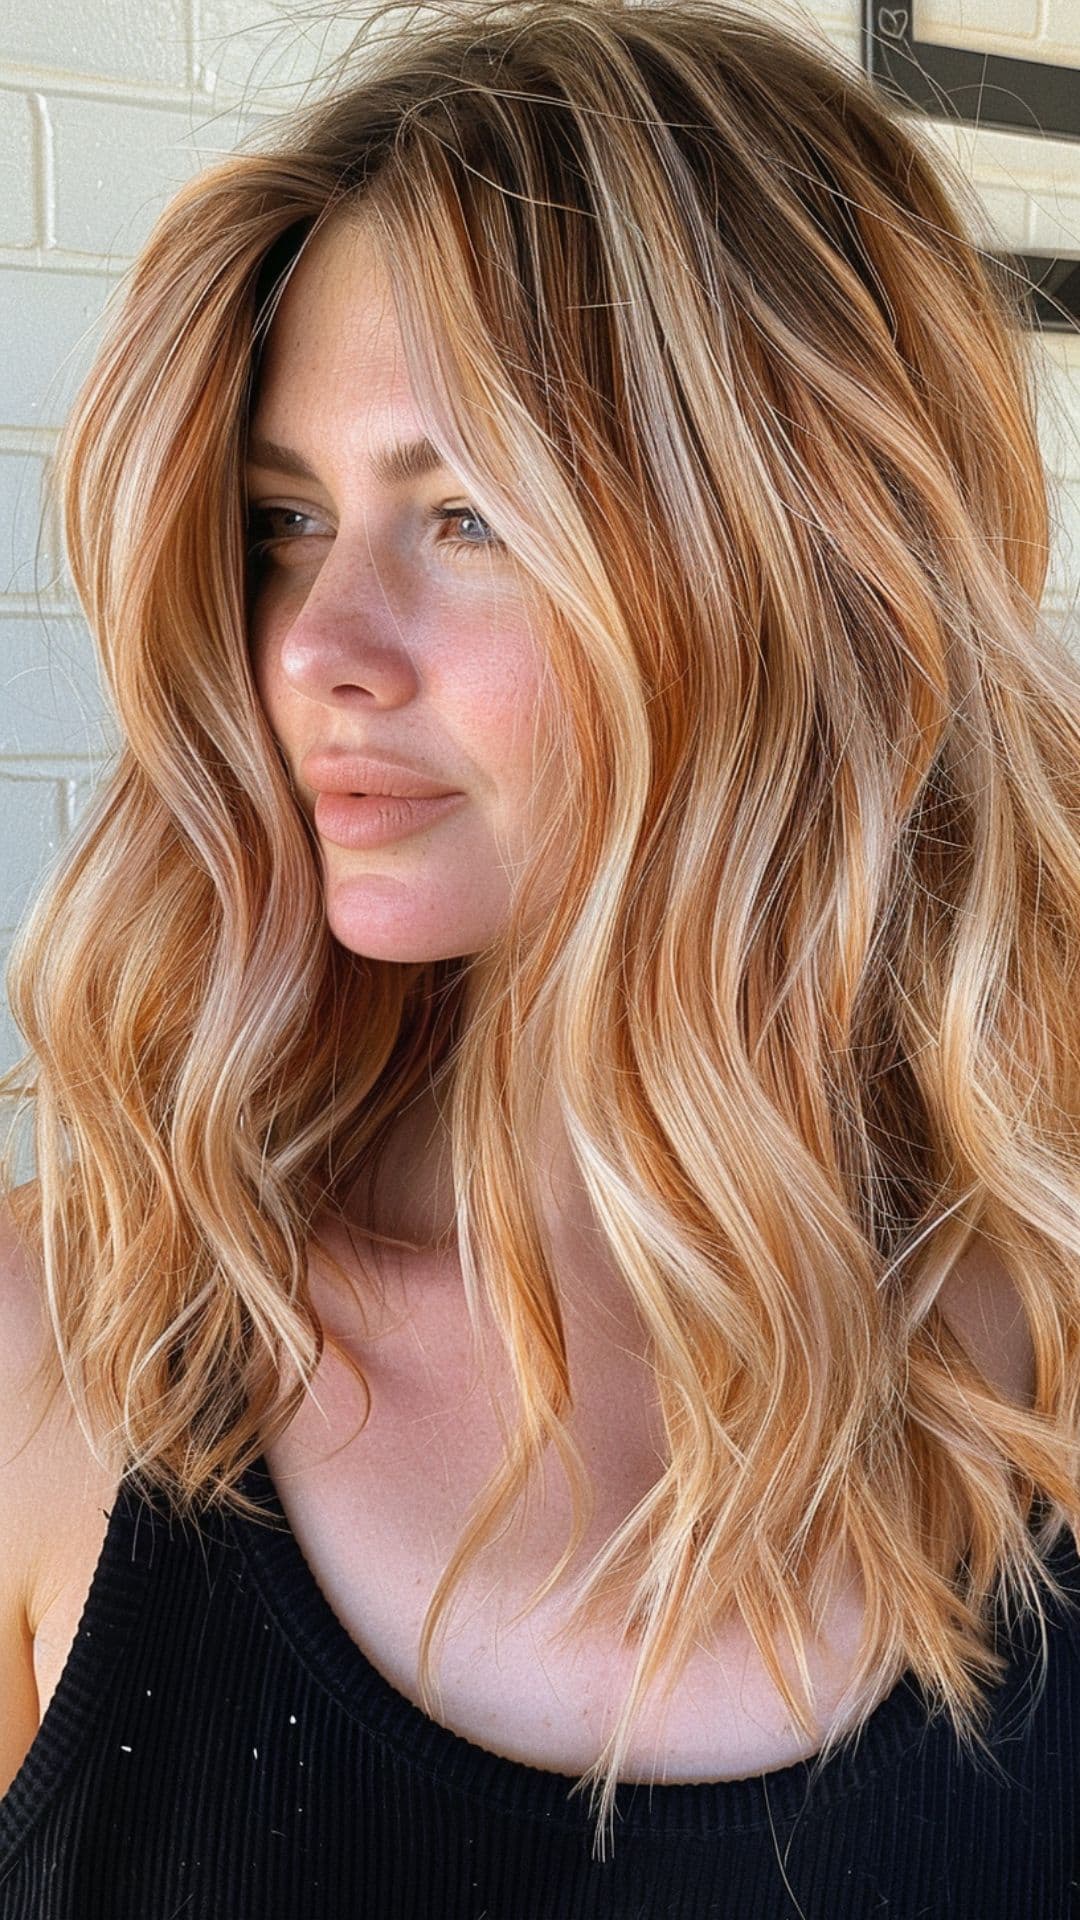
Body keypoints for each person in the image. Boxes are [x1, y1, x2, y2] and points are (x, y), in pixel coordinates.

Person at [0, 0, 1077, 1912]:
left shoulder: (1048, 1341)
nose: (318, 644)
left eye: (470, 514)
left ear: (806, 561)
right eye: (288, 521)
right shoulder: (56, 1346)